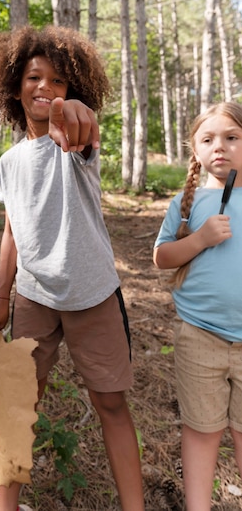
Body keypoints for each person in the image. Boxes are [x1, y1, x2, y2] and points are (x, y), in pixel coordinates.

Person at [0, 25, 145, 511]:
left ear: (73, 90)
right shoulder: (10, 162)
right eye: (34, 77)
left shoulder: (76, 146)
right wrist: (0, 298)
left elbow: (82, 126)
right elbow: (13, 231)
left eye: (58, 81)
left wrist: (73, 116)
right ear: (14, 87)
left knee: (111, 404)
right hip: (33, 298)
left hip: (93, 293)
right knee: (18, 407)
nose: (45, 88)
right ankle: (5, 507)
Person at [153, 101, 242, 511]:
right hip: (199, 336)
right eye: (208, 139)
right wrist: (201, 239)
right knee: (202, 430)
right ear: (194, 150)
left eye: (231, 137)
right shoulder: (188, 204)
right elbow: (162, 257)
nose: (219, 147)